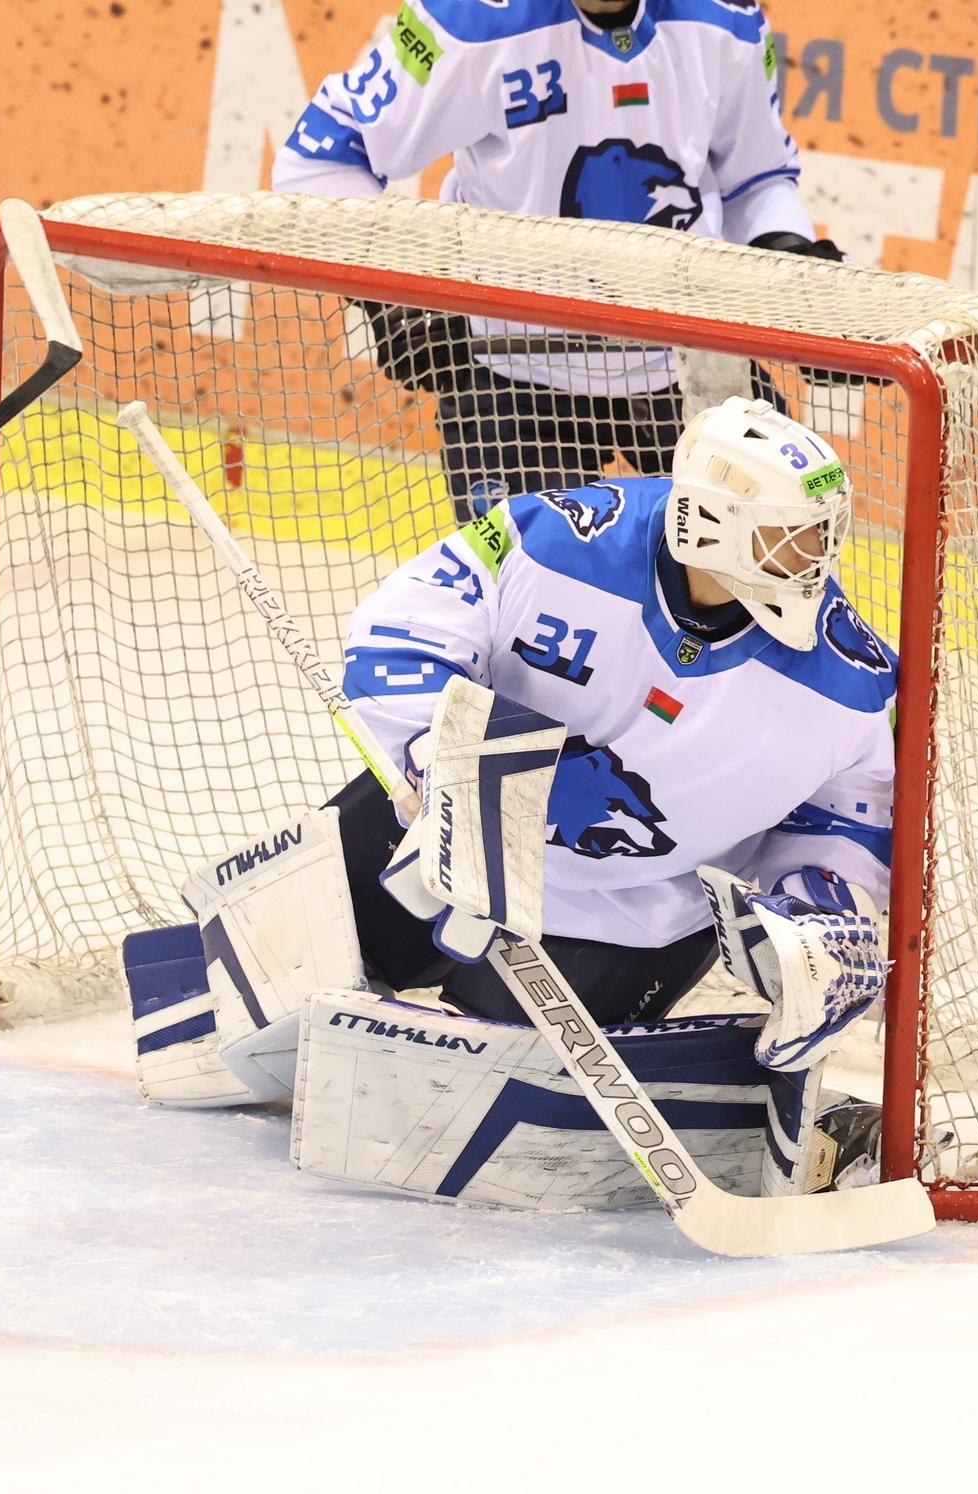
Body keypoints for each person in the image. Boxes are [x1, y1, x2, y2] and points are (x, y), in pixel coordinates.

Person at [128, 397, 897, 1207]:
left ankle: (800, 1121)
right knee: (198, 1041)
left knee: (439, 1122)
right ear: (709, 524)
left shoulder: (850, 679)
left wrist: (815, 917)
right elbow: (400, 635)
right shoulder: (558, 539)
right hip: (440, 826)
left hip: (626, 913)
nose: (816, 559)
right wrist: (445, 772)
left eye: (823, 535)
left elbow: (842, 822)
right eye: (790, 537)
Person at [273, 0, 845, 520]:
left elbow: (754, 180)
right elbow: (322, 153)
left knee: (778, 560)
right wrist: (393, 291)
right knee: (531, 589)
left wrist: (790, 262)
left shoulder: (724, 19)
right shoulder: (468, 21)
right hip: (514, 376)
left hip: (689, 360)